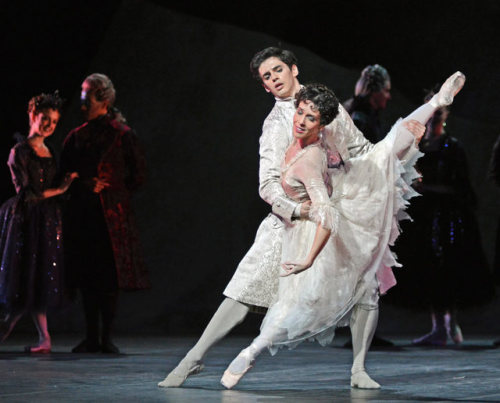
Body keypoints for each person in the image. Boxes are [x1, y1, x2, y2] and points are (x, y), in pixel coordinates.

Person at [158, 47, 438, 389]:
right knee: (246, 287)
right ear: (264, 86)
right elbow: (267, 184)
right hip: (290, 220)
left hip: (335, 211)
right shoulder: (275, 125)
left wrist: (404, 149)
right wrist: (297, 210)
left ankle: (359, 369)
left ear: (293, 69)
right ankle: (195, 357)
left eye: (277, 70)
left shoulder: (325, 106)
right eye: (266, 76)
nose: (274, 78)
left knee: (365, 287)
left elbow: (362, 151)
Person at [220, 76, 465, 389]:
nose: (302, 120)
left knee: (369, 286)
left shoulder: (316, 147)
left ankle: (358, 368)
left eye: (311, 116)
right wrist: (305, 248)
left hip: (345, 205)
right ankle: (252, 350)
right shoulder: (292, 143)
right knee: (301, 302)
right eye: (301, 113)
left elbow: (330, 204)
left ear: (321, 122)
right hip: (324, 220)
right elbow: (313, 206)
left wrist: (309, 256)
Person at [388, 89, 494, 346]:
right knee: (428, 269)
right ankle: (439, 326)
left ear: (445, 116)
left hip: (447, 217)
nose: (433, 121)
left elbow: (462, 186)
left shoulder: (452, 147)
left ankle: (450, 324)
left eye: (438, 116)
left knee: (449, 268)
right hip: (425, 215)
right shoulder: (419, 146)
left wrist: (433, 189)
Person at [60, 73, 148, 354]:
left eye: (87, 100)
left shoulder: (123, 135)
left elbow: (139, 175)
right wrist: (83, 183)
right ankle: (91, 336)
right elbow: (62, 174)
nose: (82, 106)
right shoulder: (75, 137)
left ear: (104, 100)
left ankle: (106, 337)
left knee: (109, 278)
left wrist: (113, 191)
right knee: (88, 276)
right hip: (84, 215)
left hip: (112, 217)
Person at [0, 92, 78, 353]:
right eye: (45, 118)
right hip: (26, 220)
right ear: (32, 115)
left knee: (40, 279)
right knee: (26, 279)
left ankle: (44, 338)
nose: (49, 125)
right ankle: (10, 328)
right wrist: (62, 189)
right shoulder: (19, 151)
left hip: (47, 221)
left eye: (54, 121)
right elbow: (27, 193)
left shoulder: (50, 151)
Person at [344, 64, 391, 144]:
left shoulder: (367, 117)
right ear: (376, 91)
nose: (389, 96)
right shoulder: (359, 120)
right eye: (386, 91)